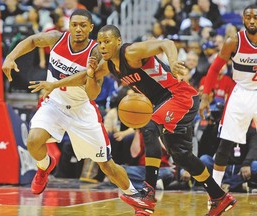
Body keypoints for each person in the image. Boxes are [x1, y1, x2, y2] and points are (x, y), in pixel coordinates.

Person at [84, 25, 236, 215]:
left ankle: (148, 194)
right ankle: (219, 197)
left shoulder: (131, 52)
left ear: (118, 41)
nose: (103, 46)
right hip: (162, 103)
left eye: (107, 41)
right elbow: (89, 85)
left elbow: (166, 42)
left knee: (149, 125)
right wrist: (81, 76)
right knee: (181, 156)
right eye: (99, 42)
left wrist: (172, 62)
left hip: (180, 96)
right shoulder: (109, 65)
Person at [2, 9, 140, 202]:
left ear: (91, 28)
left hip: (81, 110)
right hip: (55, 104)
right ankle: (44, 167)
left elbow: (93, 93)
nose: (78, 29)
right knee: (33, 141)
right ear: (69, 25)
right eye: (74, 25)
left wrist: (87, 75)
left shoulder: (96, 52)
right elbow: (33, 40)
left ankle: (136, 195)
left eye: (83, 25)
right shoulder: (57, 39)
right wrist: (10, 57)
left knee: (106, 164)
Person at [199, 4, 257, 192]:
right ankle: (215, 194)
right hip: (241, 91)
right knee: (225, 144)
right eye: (248, 17)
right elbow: (215, 68)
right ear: (243, 19)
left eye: (255, 17)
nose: (252, 21)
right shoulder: (234, 41)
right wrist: (206, 96)